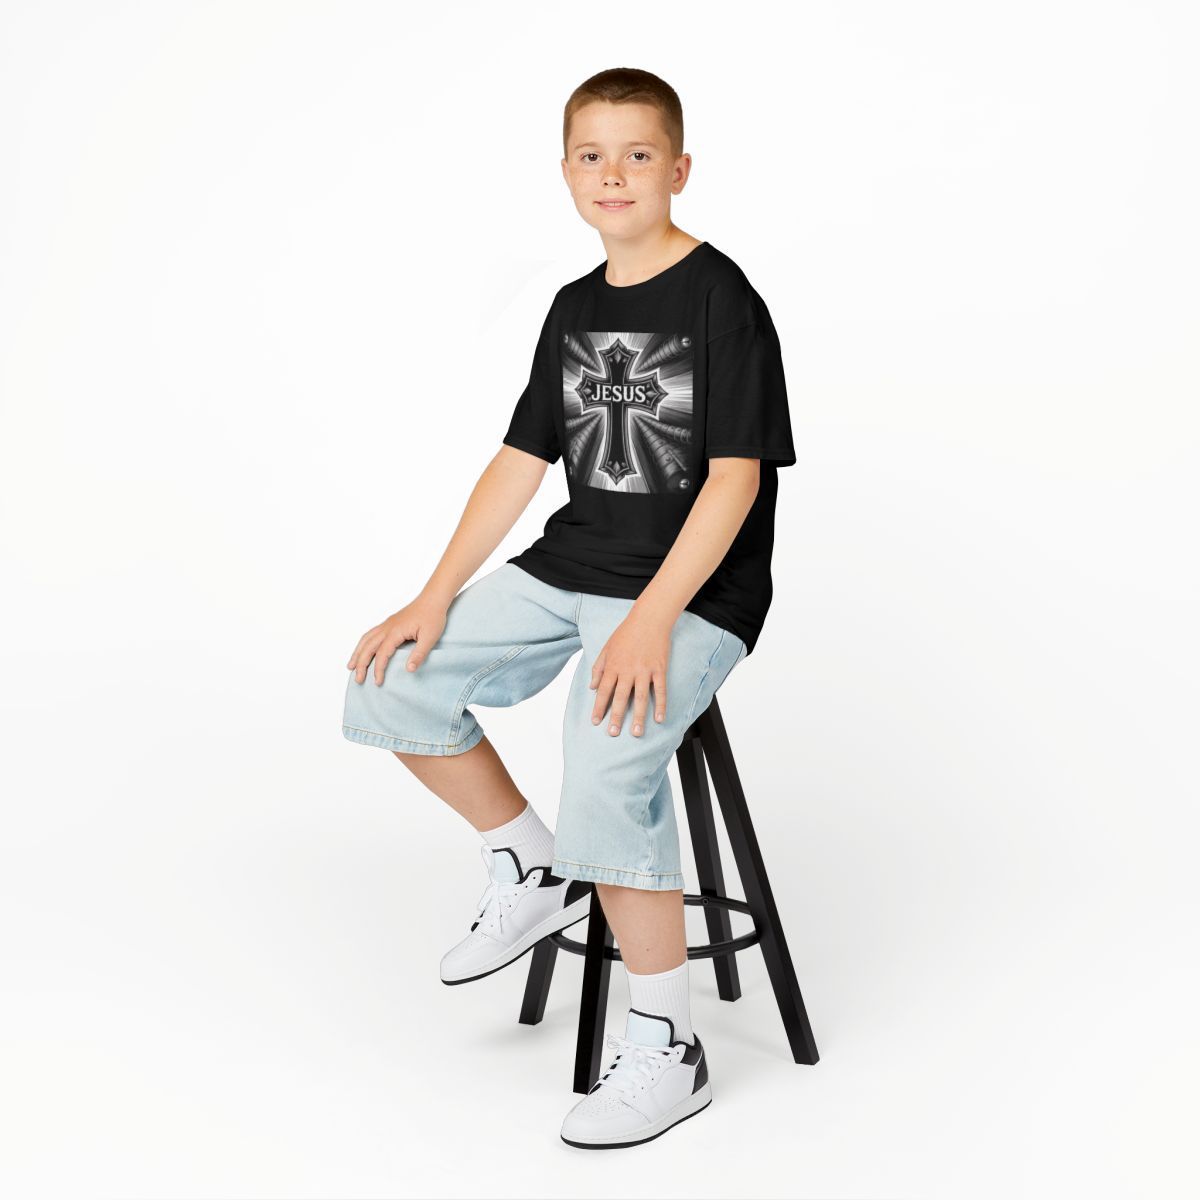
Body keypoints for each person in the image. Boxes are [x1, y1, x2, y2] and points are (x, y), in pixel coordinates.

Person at [342, 66, 796, 1149]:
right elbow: (520, 458)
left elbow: (735, 480)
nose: (614, 174)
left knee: (606, 748)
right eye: (591, 155)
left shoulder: (720, 299)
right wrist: (433, 594)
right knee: (396, 680)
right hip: (577, 563)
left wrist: (651, 618)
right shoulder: (574, 306)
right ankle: (534, 862)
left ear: (679, 169)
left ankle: (666, 1048)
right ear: (565, 174)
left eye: (637, 154)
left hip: (693, 590)